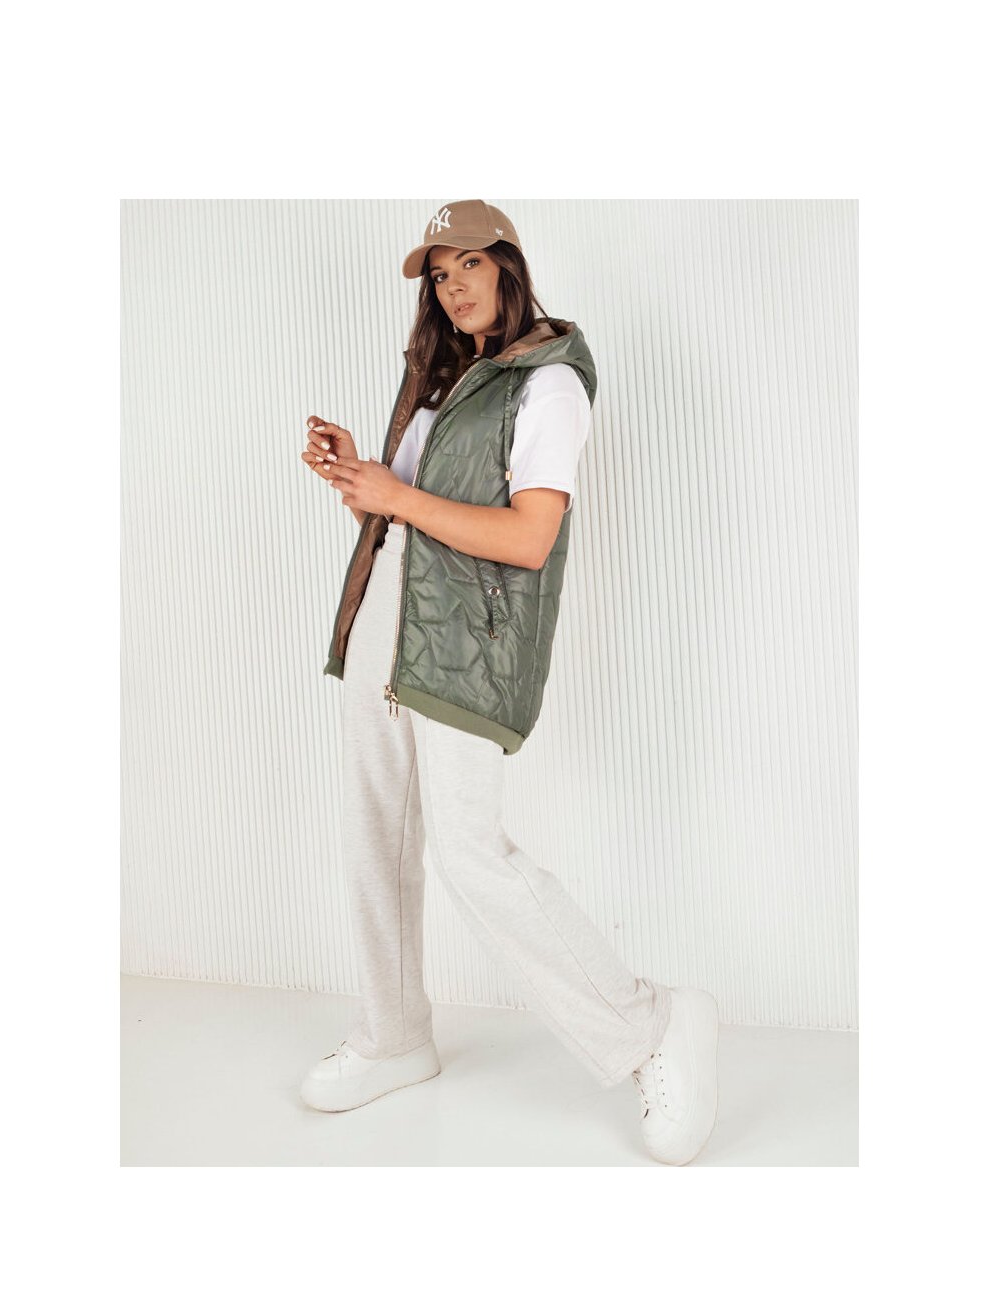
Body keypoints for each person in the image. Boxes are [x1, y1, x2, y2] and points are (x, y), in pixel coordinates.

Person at [298, 200, 719, 1164]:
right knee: (374, 834)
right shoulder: (449, 380)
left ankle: (651, 1023)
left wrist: (399, 493)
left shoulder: (550, 383)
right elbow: (412, 524)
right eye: (440, 275)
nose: (454, 288)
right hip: (386, 625)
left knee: (470, 852)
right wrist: (361, 479)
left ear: (509, 268)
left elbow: (529, 537)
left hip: (463, 648)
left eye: (469, 266)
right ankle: (393, 1032)